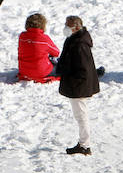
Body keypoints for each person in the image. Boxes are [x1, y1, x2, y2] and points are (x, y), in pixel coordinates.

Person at [57, 16, 101, 156]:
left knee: (81, 116)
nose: (65, 27)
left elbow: (83, 69)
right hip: (76, 85)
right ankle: (83, 144)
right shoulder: (74, 40)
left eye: (68, 25)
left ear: (76, 27)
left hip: (78, 86)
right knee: (80, 115)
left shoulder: (79, 45)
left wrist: (72, 78)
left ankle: (84, 145)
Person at [17, 13, 60, 83]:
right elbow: (56, 52)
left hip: (24, 70)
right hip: (41, 72)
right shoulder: (44, 39)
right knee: (60, 65)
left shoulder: (22, 36)